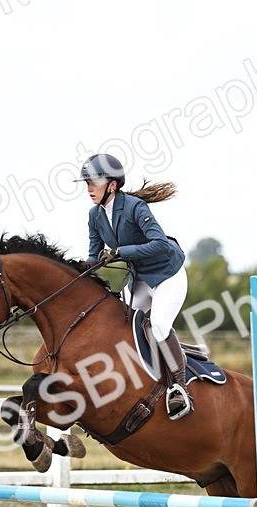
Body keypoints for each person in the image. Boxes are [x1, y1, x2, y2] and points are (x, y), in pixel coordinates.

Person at [76, 153, 194, 420]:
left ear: (112, 185)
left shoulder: (135, 207)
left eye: (93, 182)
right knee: (120, 324)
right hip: (139, 280)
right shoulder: (95, 215)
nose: (89, 189)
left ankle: (179, 387)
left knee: (159, 325)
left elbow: (160, 244)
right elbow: (94, 257)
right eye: (87, 183)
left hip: (167, 276)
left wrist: (118, 251)